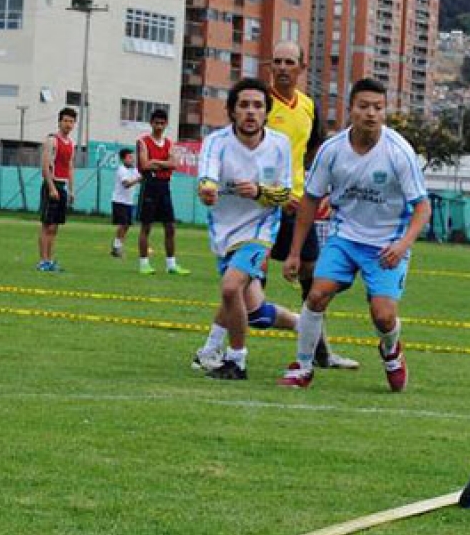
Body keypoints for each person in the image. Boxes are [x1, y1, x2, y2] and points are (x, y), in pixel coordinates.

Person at [278, 78, 431, 392]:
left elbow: (423, 207)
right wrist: (294, 252)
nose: (371, 114)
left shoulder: (399, 151)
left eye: (378, 107)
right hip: (344, 238)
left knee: (383, 316)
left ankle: (391, 352)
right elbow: (309, 199)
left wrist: (403, 245)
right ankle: (302, 367)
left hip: (388, 243)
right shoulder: (332, 151)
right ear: (351, 110)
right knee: (317, 294)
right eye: (364, 106)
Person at [265, 40, 358, 370]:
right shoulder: (258, 105)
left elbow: (314, 152)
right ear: (270, 67)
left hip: (297, 206)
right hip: (261, 208)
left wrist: (316, 193)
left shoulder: (307, 106)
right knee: (246, 283)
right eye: (277, 61)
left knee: (313, 277)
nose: (283, 67)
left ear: (302, 67)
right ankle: (221, 349)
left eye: (290, 62)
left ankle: (321, 351)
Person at [193, 78, 294, 380]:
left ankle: (236, 360)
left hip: (260, 230)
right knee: (253, 309)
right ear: (232, 112)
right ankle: (307, 327)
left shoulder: (279, 145)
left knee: (229, 287)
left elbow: (285, 193)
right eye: (244, 105)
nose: (251, 112)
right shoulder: (216, 142)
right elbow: (206, 178)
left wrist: (260, 191)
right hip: (224, 232)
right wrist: (207, 190)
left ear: (266, 112)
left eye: (258, 106)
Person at [136, 109, 190, 275]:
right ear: (151, 123)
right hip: (150, 185)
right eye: (156, 123)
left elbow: (174, 163)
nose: (159, 126)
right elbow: (144, 165)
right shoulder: (143, 142)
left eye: (162, 123)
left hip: (164, 186)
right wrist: (164, 163)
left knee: (170, 226)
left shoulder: (169, 144)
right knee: (146, 226)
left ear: (166, 124)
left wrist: (156, 162)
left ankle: (171, 264)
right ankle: (144, 263)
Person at [37, 108, 76, 272]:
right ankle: (43, 261)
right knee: (47, 225)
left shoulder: (71, 144)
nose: (68, 124)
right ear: (60, 121)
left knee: (55, 227)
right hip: (51, 185)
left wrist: (72, 190)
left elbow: (70, 167)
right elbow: (45, 166)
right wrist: (51, 187)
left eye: (71, 121)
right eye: (65, 120)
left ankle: (50, 260)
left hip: (62, 186)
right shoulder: (52, 140)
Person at [110, 148, 142, 258]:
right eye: (129, 157)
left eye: (132, 157)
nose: (132, 159)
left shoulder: (134, 170)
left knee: (127, 225)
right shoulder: (121, 170)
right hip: (119, 201)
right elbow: (126, 184)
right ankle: (116, 247)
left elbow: (142, 176)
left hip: (129, 202)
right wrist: (138, 179)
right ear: (123, 159)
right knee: (123, 224)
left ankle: (118, 246)